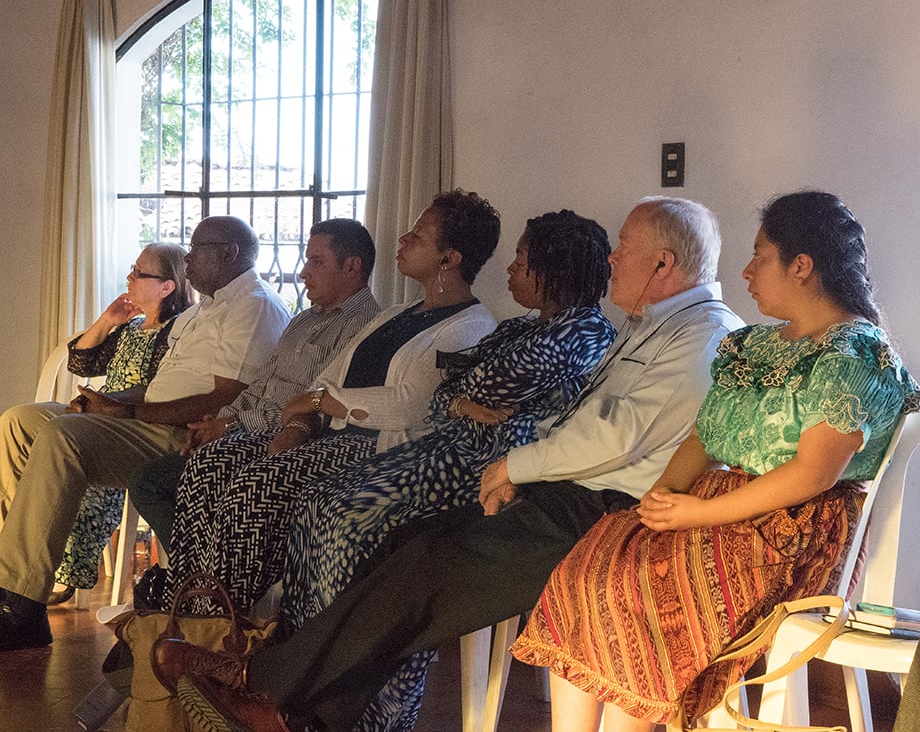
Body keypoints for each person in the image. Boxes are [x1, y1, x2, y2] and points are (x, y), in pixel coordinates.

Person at [152, 195, 745, 732]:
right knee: (402, 546)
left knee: (421, 563)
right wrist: (511, 443)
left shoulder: (703, 336)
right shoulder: (650, 328)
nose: (615, 259)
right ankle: (299, 707)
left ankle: (263, 686)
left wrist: (516, 463)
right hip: (556, 487)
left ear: (664, 264)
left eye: (627, 248)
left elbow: (614, 434)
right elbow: (508, 405)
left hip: (599, 509)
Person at [509, 191, 920, 731]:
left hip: (790, 530)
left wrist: (693, 514)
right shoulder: (751, 346)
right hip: (721, 509)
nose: (746, 271)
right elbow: (705, 436)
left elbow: (812, 474)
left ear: (802, 266)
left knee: (633, 592)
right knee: (589, 566)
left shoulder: (852, 352)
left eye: (760, 256)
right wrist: (660, 498)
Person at [271, 209, 616, 729]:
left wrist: (464, 396)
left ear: (555, 269)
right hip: (446, 449)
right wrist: (463, 400)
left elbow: (482, 385)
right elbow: (447, 394)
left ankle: (370, 709)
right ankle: (299, 671)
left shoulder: (585, 333)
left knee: (350, 521)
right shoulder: (525, 325)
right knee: (316, 504)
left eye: (523, 260)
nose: (511, 269)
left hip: (483, 472)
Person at [162, 189, 500, 615]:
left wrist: (321, 403)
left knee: (255, 486)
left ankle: (220, 621)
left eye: (418, 235)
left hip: (374, 450)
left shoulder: (469, 326)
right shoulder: (394, 315)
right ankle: (186, 605)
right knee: (209, 465)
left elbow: (408, 405)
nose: (403, 240)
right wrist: (300, 423)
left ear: (449, 259)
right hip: (328, 437)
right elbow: (326, 378)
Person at [0, 215, 291, 650]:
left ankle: (19, 607)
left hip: (181, 434)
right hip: (145, 418)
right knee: (19, 421)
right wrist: (106, 403)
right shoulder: (205, 309)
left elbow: (222, 399)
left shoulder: (255, 306)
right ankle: (15, 576)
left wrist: (124, 410)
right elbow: (160, 385)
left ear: (228, 253)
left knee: (64, 436)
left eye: (196, 249)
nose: (187, 258)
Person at [128, 218, 380, 552]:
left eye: (315, 262)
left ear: (352, 267)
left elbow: (312, 404)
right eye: (306, 260)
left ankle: (205, 584)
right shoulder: (304, 319)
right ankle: (202, 584)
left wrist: (229, 423)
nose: (304, 272)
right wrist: (218, 422)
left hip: (285, 439)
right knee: (164, 478)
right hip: (239, 428)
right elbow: (261, 382)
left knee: (153, 482)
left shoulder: (365, 328)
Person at [0, 243, 193, 605]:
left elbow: (161, 392)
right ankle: (12, 559)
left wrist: (103, 407)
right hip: (99, 411)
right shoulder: (132, 327)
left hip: (132, 419)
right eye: (132, 269)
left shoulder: (179, 332)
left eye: (140, 273)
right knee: (16, 421)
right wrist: (107, 322)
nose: (129, 277)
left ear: (167, 286)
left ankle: (34, 581)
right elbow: (81, 363)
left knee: (64, 433)